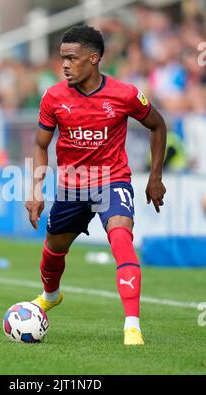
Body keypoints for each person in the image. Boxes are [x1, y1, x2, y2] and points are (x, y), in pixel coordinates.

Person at [25, 25, 167, 346]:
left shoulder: (125, 94)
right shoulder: (54, 97)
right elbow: (39, 145)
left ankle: (132, 325)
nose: (63, 65)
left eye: (71, 59)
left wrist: (155, 176)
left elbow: (157, 126)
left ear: (93, 59)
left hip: (113, 180)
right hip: (72, 187)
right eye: (61, 58)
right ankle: (51, 295)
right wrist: (35, 189)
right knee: (54, 250)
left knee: (121, 239)